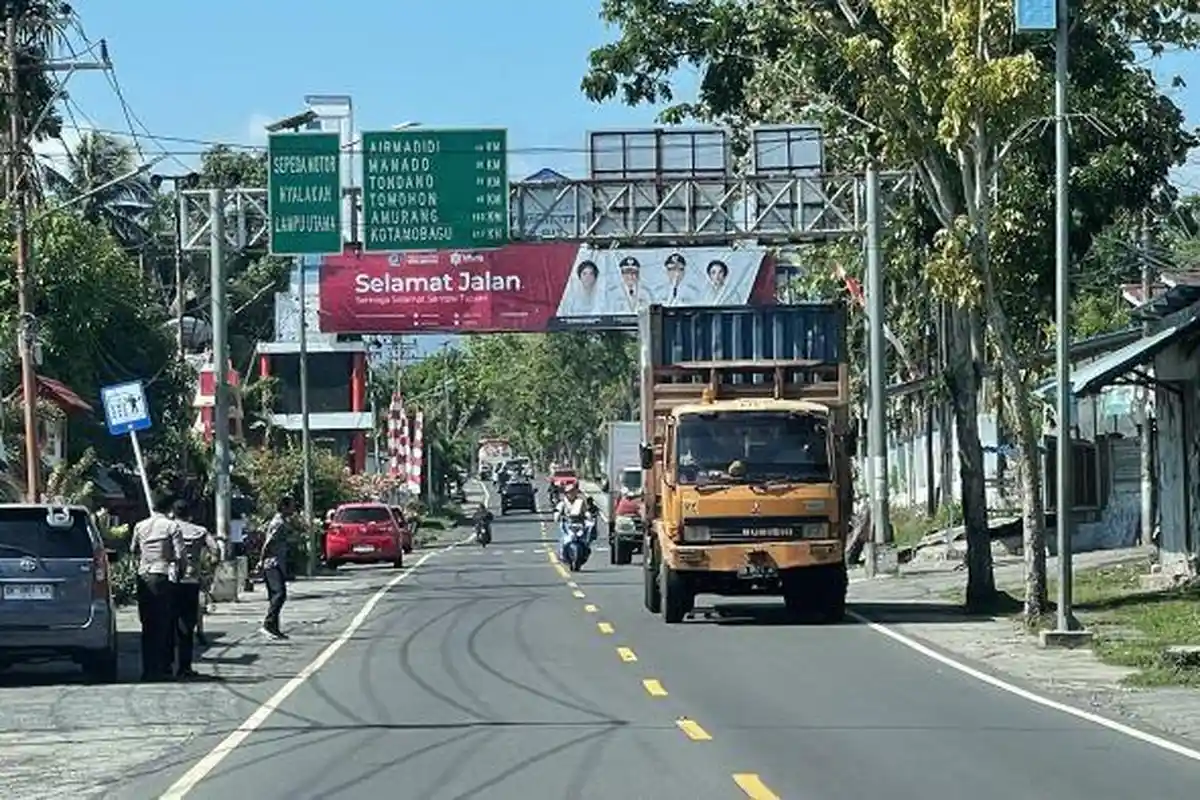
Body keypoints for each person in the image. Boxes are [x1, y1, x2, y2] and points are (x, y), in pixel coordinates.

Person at [130, 495, 185, 681]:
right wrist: (180, 573)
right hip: (162, 575)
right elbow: (180, 555)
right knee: (163, 625)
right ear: (169, 509)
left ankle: (147, 669)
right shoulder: (172, 526)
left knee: (147, 625)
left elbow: (133, 550)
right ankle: (161, 668)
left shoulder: (140, 526)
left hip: (144, 575)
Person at [171, 500, 218, 679]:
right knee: (186, 627)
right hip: (191, 580)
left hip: (170, 580)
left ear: (173, 513)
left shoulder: (168, 527)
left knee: (167, 624)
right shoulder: (200, 531)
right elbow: (215, 550)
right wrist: (209, 570)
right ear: (189, 514)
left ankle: (166, 666)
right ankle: (184, 667)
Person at [259, 495, 296, 640]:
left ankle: (274, 627)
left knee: (276, 595)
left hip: (278, 563)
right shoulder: (278, 523)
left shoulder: (283, 521)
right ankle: (268, 624)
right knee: (279, 594)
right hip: (272, 563)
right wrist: (261, 561)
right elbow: (268, 543)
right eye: (291, 506)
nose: (293, 509)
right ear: (284, 506)